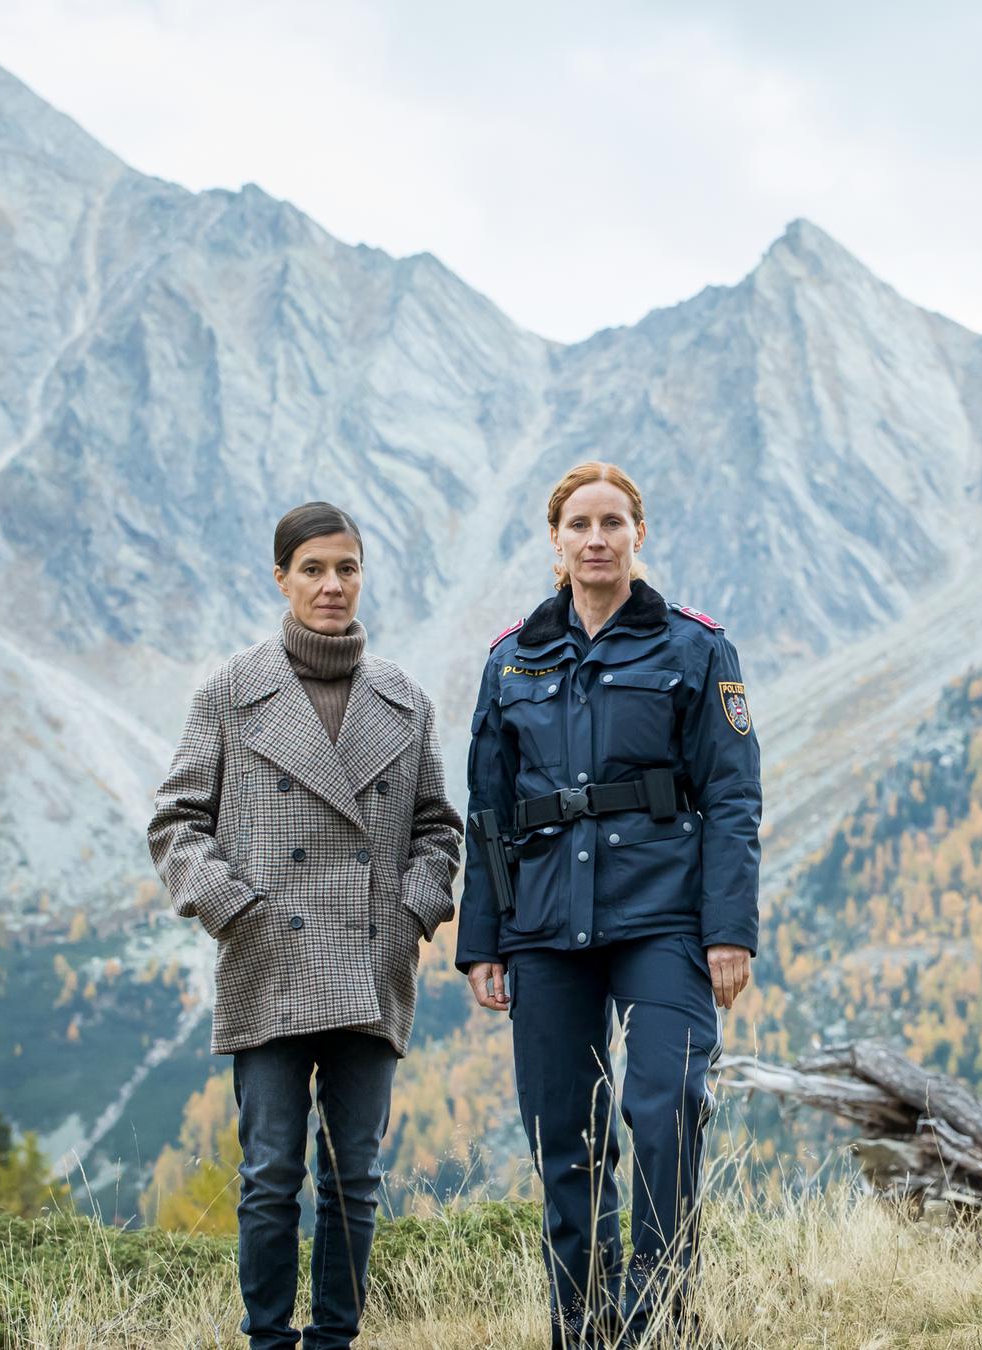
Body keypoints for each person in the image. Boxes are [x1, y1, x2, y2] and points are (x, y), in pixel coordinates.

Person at [456, 462, 762, 1348]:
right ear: (555, 541)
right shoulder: (510, 659)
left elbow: (733, 798)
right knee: (566, 1137)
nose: (597, 538)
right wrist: (485, 942)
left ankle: (662, 1318)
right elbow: (489, 813)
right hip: (545, 926)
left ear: (639, 535)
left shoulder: (696, 649)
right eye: (580, 524)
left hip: (664, 917)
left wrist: (729, 931)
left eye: (613, 522)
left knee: (666, 1107)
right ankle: (583, 1328)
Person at [149, 502, 462, 1350]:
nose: (332, 585)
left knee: (354, 1177)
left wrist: (409, 912)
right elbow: (177, 823)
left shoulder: (403, 699)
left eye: (347, 568)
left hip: (371, 955)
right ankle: (266, 1341)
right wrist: (235, 911)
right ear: (281, 577)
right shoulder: (231, 692)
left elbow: (438, 828)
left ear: (363, 576)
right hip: (269, 958)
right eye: (315, 569)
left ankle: (333, 1342)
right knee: (269, 1176)